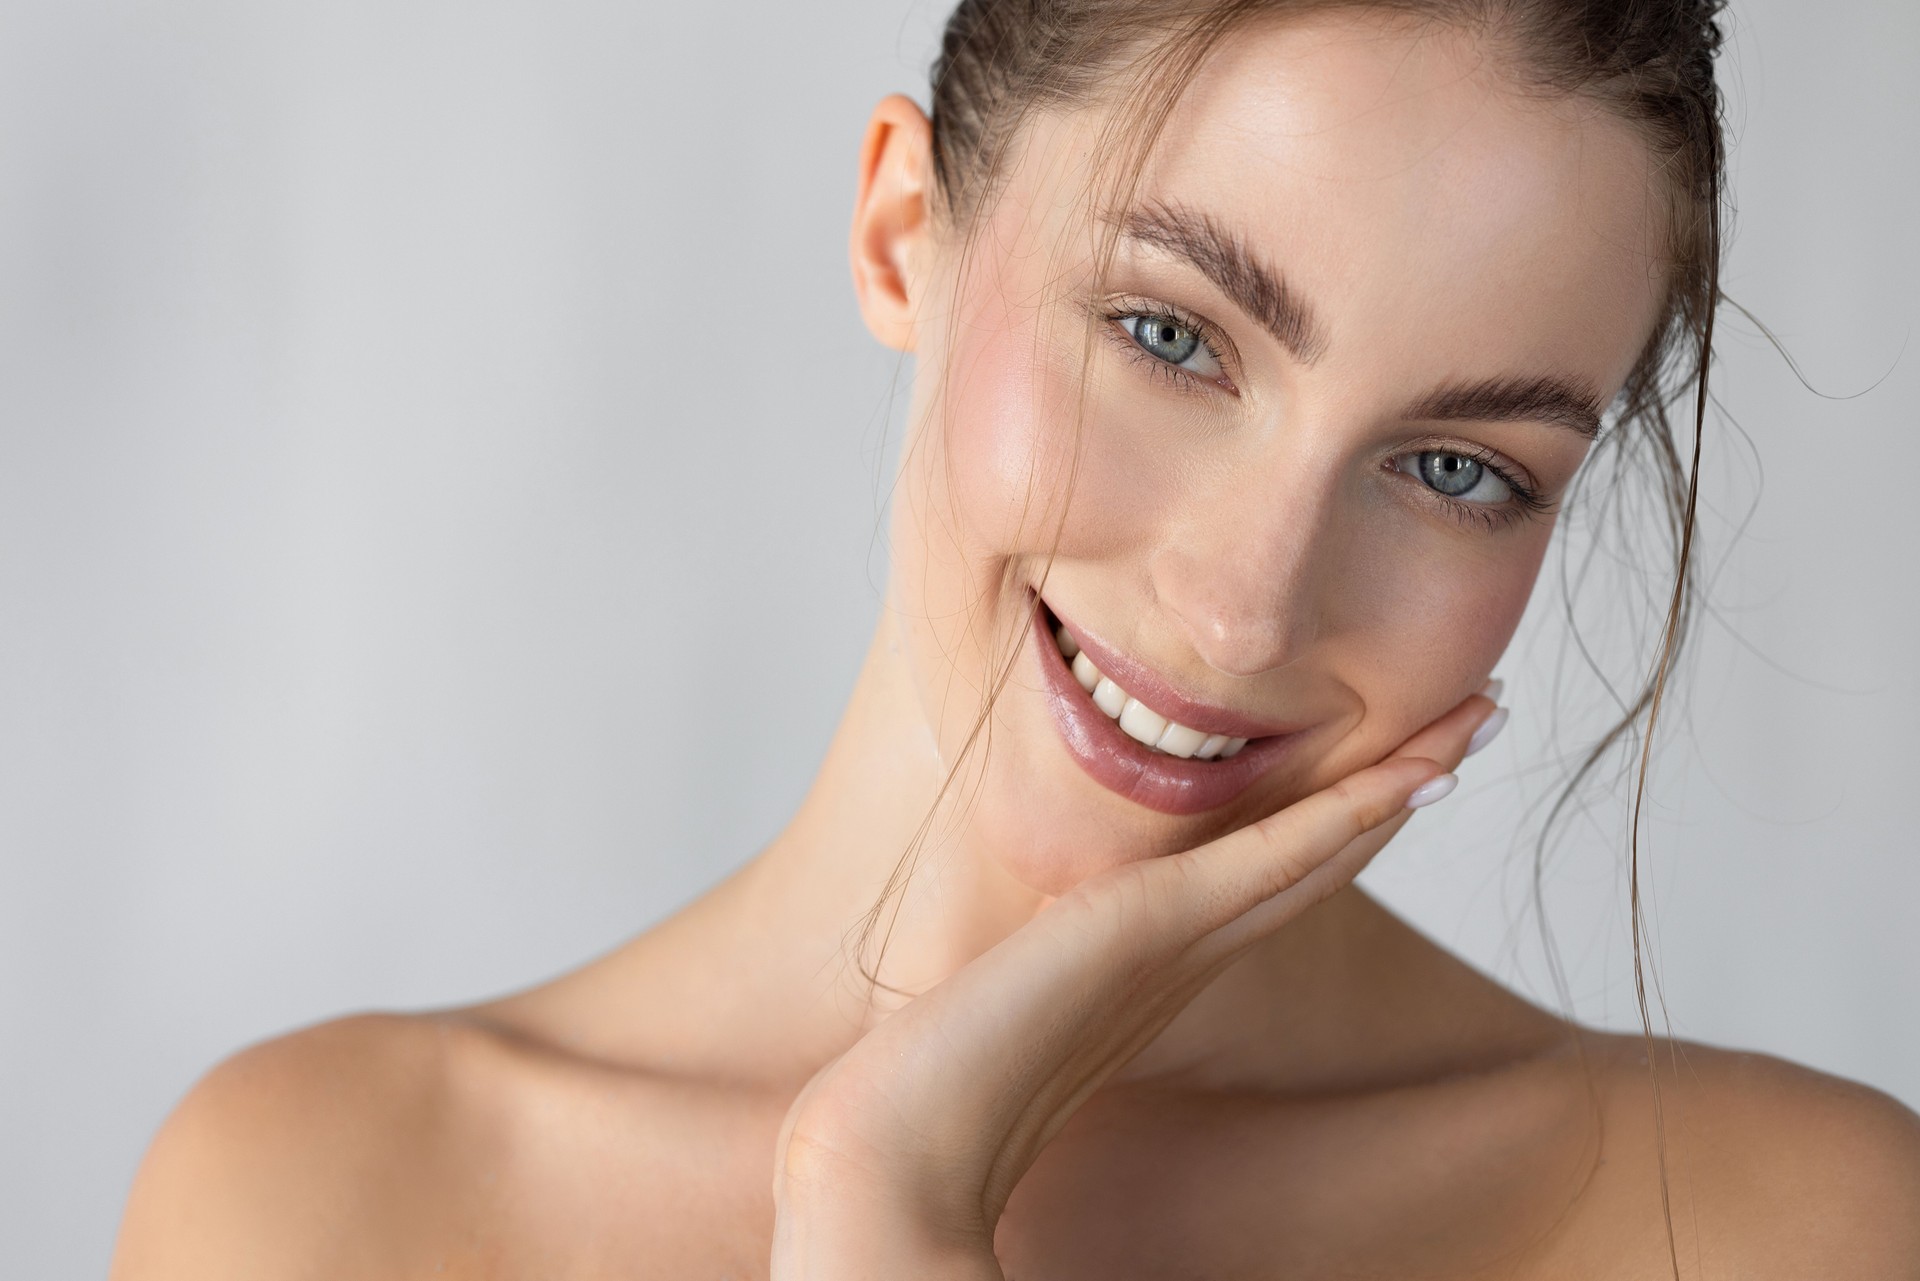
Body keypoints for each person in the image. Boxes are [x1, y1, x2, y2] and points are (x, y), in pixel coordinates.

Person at [109, 1, 1920, 1276]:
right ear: (906, 233)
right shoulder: (315, 1201)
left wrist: (892, 1214)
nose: (1246, 603)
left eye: (1455, 467)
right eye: (1171, 336)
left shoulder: (1778, 1230)